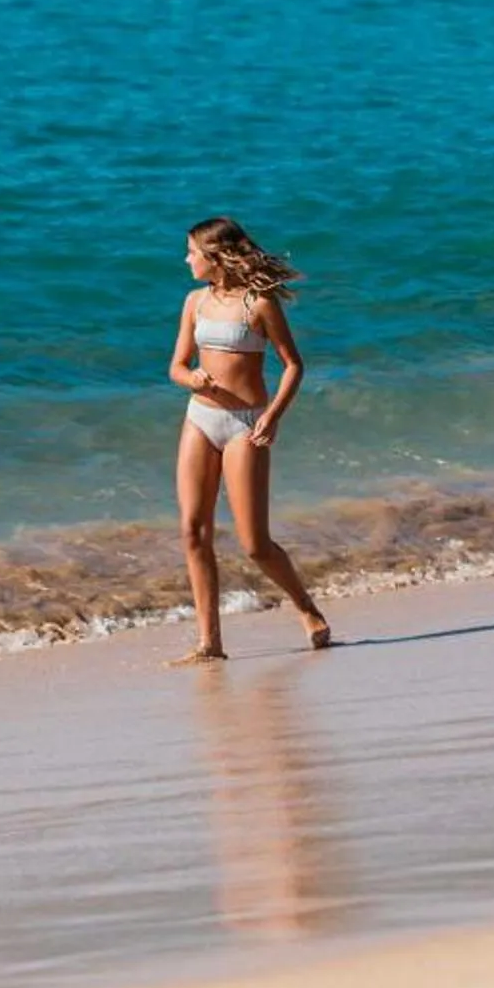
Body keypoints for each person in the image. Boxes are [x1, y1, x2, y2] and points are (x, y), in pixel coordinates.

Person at [169, 217, 332, 661]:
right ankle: (210, 643)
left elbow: (293, 365)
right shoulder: (194, 303)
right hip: (200, 418)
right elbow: (176, 366)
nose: (186, 259)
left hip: (245, 425)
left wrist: (273, 416)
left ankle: (307, 609)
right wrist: (192, 379)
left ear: (214, 256)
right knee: (192, 531)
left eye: (191, 252)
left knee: (254, 543)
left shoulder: (258, 304)